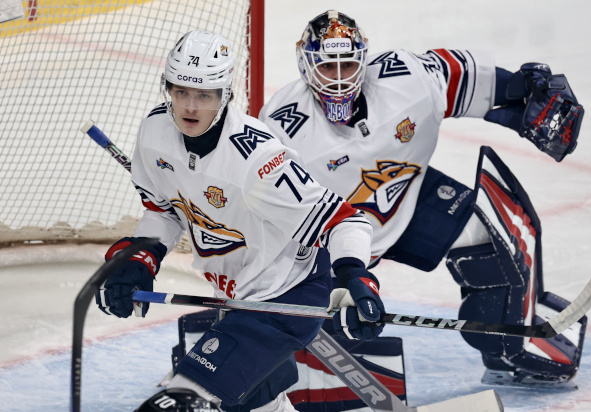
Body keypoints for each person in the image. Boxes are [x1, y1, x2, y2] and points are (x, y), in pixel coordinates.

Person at [259, 10, 586, 388]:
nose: (338, 79)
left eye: (346, 64)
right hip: (331, 235)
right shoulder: (280, 128)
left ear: (363, 59)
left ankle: (505, 355)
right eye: (326, 67)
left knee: (499, 249)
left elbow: (482, 83)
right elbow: (270, 222)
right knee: (341, 323)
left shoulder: (408, 78)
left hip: (406, 195)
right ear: (305, 65)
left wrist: (527, 92)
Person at [94, 30, 385, 412]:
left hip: (283, 298)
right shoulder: (155, 132)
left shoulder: (258, 161)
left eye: (205, 95)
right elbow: (163, 210)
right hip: (235, 293)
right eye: (181, 92)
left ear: (225, 94)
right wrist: (140, 258)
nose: (190, 107)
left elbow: (345, 221)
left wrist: (355, 276)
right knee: (257, 404)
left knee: (181, 401)